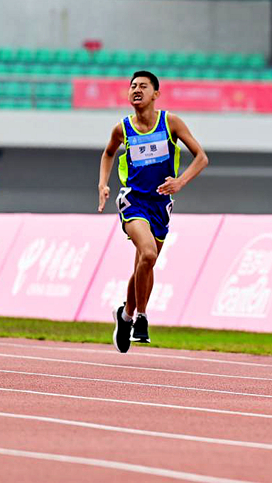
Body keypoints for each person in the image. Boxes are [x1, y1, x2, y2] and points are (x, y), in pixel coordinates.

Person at [97, 70, 208, 353]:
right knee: (148, 253)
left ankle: (125, 316)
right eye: (133, 86)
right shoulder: (122, 128)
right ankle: (141, 318)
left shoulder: (170, 123)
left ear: (155, 94)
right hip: (134, 201)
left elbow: (201, 157)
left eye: (143, 86)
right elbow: (108, 153)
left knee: (145, 264)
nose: (136, 90)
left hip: (160, 204)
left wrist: (180, 181)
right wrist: (103, 184)